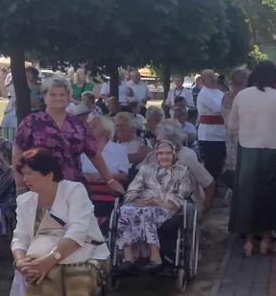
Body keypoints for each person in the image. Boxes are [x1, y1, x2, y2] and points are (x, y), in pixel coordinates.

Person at [12, 149, 110, 296]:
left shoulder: (74, 190)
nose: (25, 179)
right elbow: (20, 237)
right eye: (23, 174)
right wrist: (20, 260)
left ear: (48, 174)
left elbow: (78, 231)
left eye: (30, 173)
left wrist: (48, 260)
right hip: (42, 251)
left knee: (81, 272)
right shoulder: (24, 201)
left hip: (86, 250)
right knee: (34, 268)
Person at [13, 77, 124, 196]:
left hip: (74, 186)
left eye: (62, 94)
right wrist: (20, 185)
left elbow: (94, 153)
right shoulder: (30, 123)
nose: (58, 98)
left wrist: (110, 180)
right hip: (40, 186)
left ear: (68, 97)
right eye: (53, 94)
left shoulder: (78, 124)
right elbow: (18, 155)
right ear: (44, 97)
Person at [228, 60, 276, 256]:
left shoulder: (242, 96)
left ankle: (247, 241)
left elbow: (232, 125)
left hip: (248, 151)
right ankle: (266, 239)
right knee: (270, 196)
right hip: (273, 152)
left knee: (247, 196)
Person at [115, 140, 194, 272]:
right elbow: (132, 190)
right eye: (161, 153)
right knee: (124, 209)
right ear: (156, 155)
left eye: (168, 153)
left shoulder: (182, 171)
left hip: (166, 207)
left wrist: (159, 203)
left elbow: (181, 197)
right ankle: (128, 258)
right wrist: (137, 200)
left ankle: (155, 256)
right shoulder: (146, 169)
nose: (164, 156)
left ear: (174, 154)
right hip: (142, 204)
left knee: (147, 212)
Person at [145, 120, 215, 211]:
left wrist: (205, 208)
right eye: (157, 141)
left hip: (185, 206)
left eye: (160, 141)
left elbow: (209, 184)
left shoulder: (186, 156)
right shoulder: (152, 157)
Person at [81, 114, 130, 233]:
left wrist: (104, 176)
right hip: (86, 192)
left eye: (95, 125)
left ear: (105, 130)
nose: (90, 127)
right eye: (89, 124)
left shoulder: (118, 149)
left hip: (108, 192)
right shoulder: (83, 149)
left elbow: (125, 175)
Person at [195, 69, 227, 185]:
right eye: (209, 77)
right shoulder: (204, 93)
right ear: (203, 81)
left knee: (219, 167)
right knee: (211, 168)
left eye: (214, 76)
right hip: (209, 136)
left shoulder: (219, 92)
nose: (213, 79)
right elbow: (220, 108)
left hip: (221, 134)